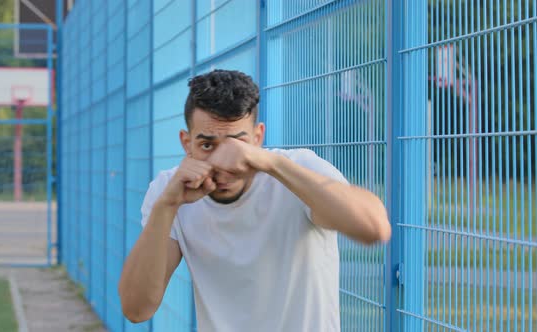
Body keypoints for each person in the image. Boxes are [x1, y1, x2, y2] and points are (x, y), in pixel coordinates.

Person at [119, 69, 391, 331]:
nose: (223, 162)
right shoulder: (170, 190)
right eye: (207, 145)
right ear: (186, 143)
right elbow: (136, 309)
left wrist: (269, 163)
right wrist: (165, 207)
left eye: (237, 144)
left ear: (258, 136)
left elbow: (373, 227)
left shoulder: (297, 170)